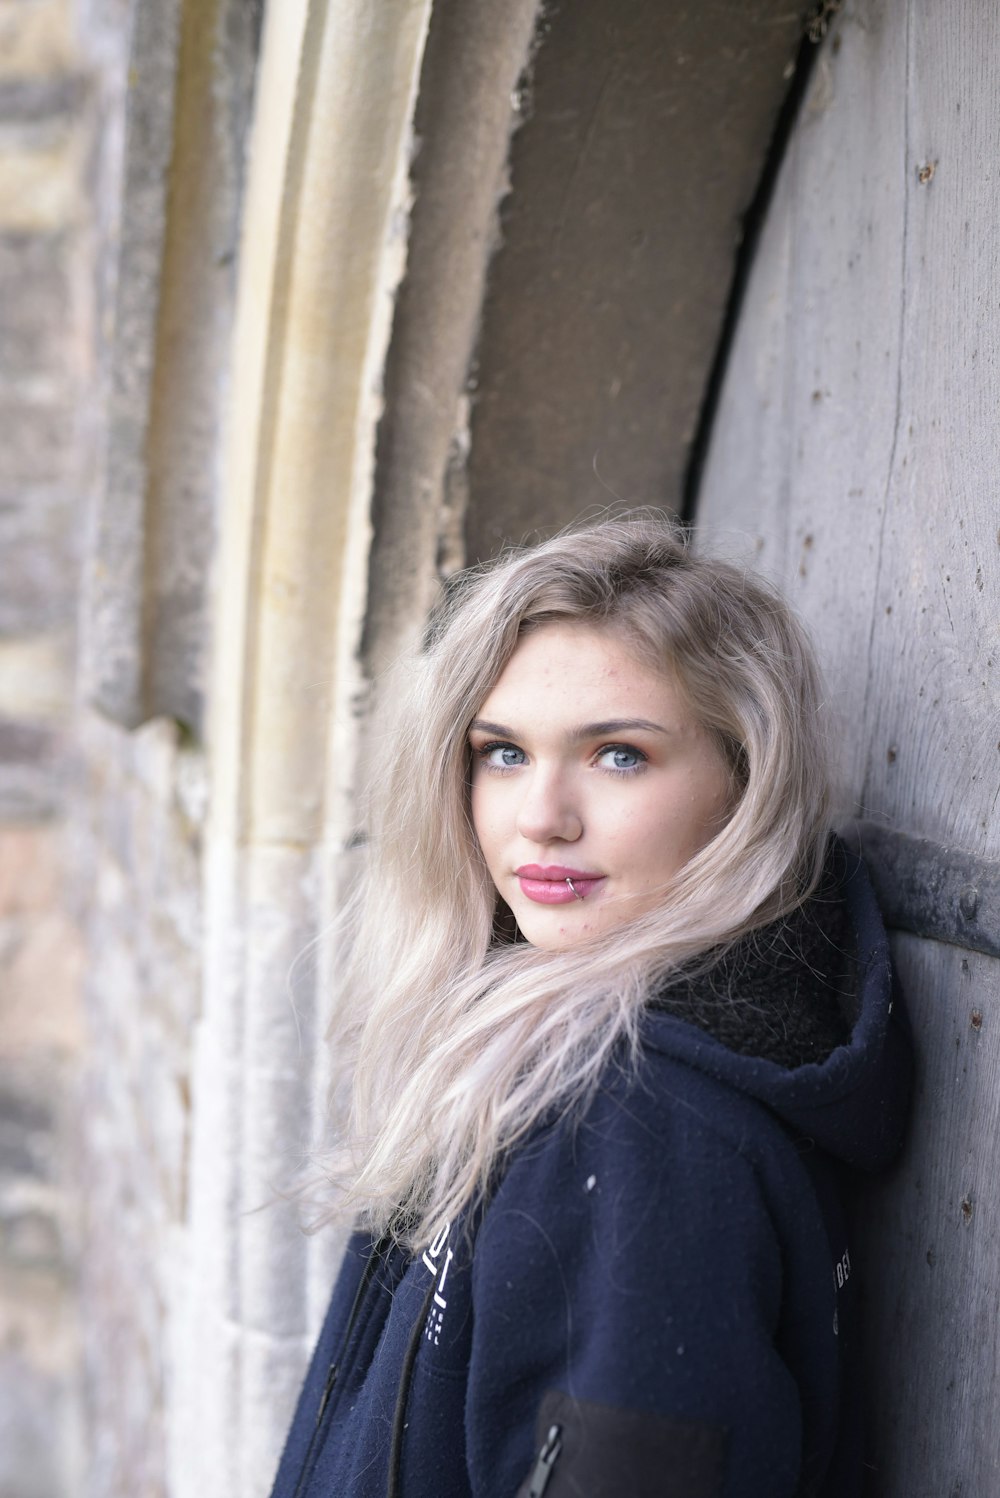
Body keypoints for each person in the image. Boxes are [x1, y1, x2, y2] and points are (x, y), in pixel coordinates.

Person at [269, 514, 911, 1498]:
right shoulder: (544, 1065)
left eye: (618, 754)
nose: (540, 816)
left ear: (743, 783)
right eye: (503, 753)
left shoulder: (639, 1127)